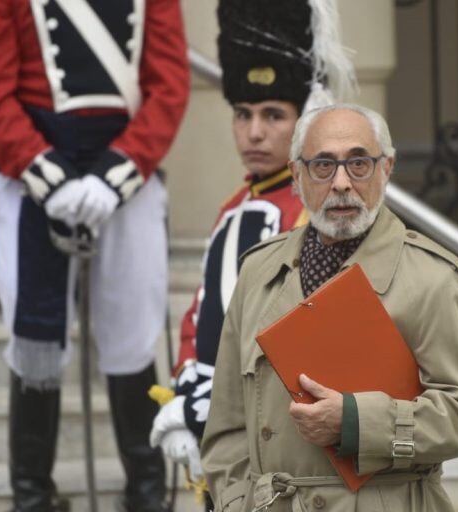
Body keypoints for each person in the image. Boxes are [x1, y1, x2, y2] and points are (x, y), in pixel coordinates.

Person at [200, 104, 458, 512]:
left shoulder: (432, 278)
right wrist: (236, 502)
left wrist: (358, 421)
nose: (342, 183)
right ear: (297, 174)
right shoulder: (258, 271)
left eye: (359, 163)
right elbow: (225, 426)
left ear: (386, 168)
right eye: (323, 165)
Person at [0, 1, 189, 511]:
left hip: (127, 176)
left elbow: (168, 85)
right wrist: (44, 173)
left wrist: (119, 174)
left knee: (134, 332)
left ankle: (147, 493)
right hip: (32, 180)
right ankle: (32, 495)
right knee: (35, 340)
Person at [149, 0, 356, 507]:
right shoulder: (236, 204)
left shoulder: (328, 216)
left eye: (272, 115)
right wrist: (186, 393)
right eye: (243, 115)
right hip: (225, 438)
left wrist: (207, 412)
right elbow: (202, 318)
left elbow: (306, 344)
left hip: (286, 452)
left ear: (304, 119)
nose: (254, 132)